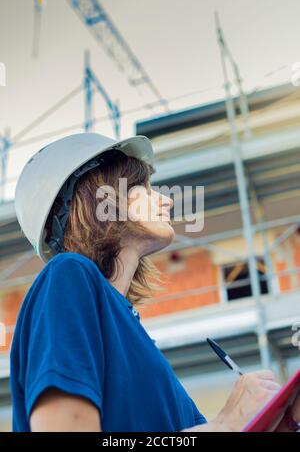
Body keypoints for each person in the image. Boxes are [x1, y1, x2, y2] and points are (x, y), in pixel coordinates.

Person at [11, 132, 299, 432]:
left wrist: (275, 421)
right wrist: (226, 423)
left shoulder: (147, 354)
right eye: (140, 186)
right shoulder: (67, 276)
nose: (165, 200)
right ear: (97, 197)